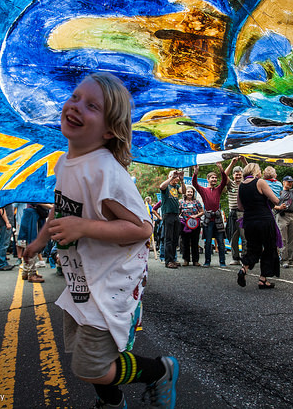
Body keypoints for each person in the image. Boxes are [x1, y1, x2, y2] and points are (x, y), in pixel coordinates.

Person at [22, 72, 178, 408]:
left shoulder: (106, 171)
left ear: (109, 130)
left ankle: (158, 371)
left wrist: (83, 227)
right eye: (76, 97)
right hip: (82, 278)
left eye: (91, 106)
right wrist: (37, 244)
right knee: (87, 356)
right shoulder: (66, 162)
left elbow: (142, 228)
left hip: (109, 283)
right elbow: (61, 212)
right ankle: (111, 401)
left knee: (89, 364)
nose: (76, 106)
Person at [236, 163, 280, 289]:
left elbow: (240, 207)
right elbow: (275, 200)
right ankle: (263, 279)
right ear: (255, 171)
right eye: (259, 170)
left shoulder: (241, 186)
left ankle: (244, 269)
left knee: (253, 248)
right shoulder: (260, 182)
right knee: (269, 247)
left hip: (249, 221)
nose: (260, 172)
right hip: (264, 220)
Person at [193, 162, 228, 267]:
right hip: (208, 219)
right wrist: (196, 172)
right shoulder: (204, 190)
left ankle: (222, 262)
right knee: (208, 242)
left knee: (221, 242)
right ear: (208, 179)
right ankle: (207, 261)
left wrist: (221, 169)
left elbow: (225, 181)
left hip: (217, 219)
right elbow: (194, 184)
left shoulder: (218, 190)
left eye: (215, 178)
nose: (214, 179)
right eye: (212, 178)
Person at [273, 170, 293, 268]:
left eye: (291, 182)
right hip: (282, 216)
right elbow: (271, 204)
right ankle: (284, 260)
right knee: (283, 239)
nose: (290, 183)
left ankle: (291, 260)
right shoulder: (279, 191)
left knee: (292, 239)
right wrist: (279, 207)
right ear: (283, 182)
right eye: (288, 182)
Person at [159, 170, 185, 269]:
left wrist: (182, 181)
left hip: (176, 215)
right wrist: (171, 177)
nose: (176, 178)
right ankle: (168, 261)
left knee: (175, 239)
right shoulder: (167, 187)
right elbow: (161, 186)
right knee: (168, 239)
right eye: (175, 176)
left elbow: (184, 192)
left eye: (177, 177)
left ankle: (173, 259)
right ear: (169, 176)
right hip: (168, 214)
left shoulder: (176, 187)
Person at [225, 156, 247, 265]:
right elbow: (224, 176)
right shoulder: (230, 184)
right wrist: (232, 163)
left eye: (240, 174)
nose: (238, 175)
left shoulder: (246, 183)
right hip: (233, 212)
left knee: (245, 237)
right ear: (233, 175)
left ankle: (244, 258)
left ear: (242, 174)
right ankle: (235, 258)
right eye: (236, 174)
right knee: (233, 236)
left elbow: (253, 174)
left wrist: (244, 162)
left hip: (244, 213)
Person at [179, 187, 204, 266]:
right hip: (184, 225)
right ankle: (186, 260)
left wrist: (196, 216)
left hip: (195, 225)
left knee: (195, 242)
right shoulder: (181, 202)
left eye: (191, 192)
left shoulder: (196, 202)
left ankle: (195, 261)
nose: (189, 193)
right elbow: (178, 212)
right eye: (188, 192)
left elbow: (202, 212)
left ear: (193, 193)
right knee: (185, 243)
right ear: (185, 193)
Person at [0, 204, 15, 271]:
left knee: (5, 243)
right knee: (4, 243)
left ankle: (3, 262)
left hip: (6, 222)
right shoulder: (3, 197)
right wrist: (7, 222)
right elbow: (1, 209)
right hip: (4, 223)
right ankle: (2, 263)